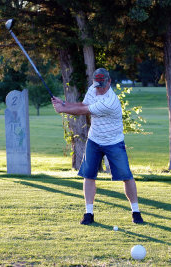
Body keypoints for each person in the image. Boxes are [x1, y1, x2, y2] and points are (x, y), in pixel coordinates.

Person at [52, 68, 144, 225]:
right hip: (94, 140)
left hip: (114, 141)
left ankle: (136, 212)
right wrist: (64, 103)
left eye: (102, 85)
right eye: (97, 85)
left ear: (109, 81)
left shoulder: (110, 101)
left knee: (126, 176)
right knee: (89, 175)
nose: (99, 88)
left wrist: (63, 109)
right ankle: (89, 214)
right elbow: (83, 104)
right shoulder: (93, 89)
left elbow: (84, 111)